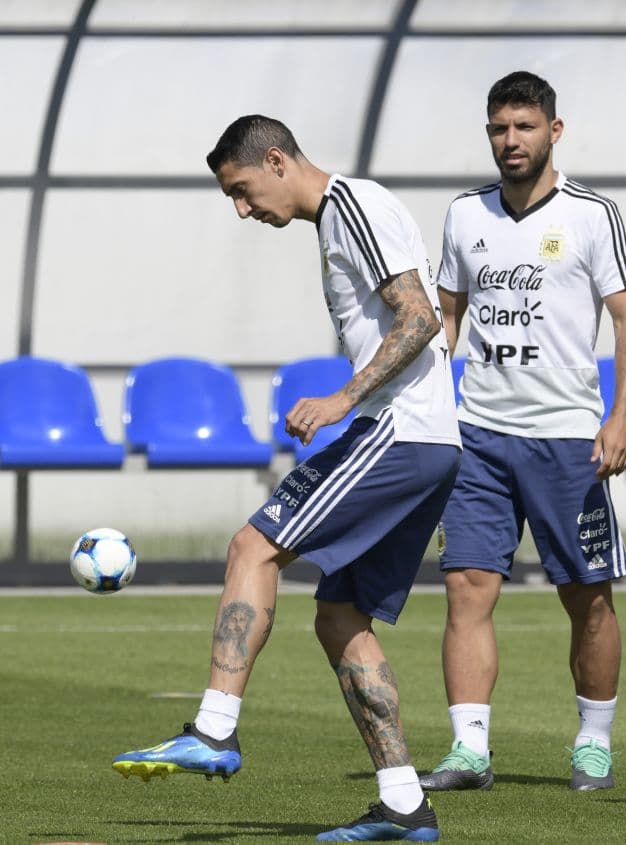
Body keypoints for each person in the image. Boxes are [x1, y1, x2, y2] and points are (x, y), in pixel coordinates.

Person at [112, 115, 461, 843]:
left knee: (253, 546)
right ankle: (404, 803)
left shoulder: (353, 206)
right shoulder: (336, 221)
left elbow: (422, 318)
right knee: (340, 616)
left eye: (242, 190)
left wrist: (343, 399)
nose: (243, 210)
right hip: (422, 439)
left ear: (276, 160)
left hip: (398, 432)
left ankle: (214, 727)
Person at [417, 71, 626, 794]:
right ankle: (469, 749)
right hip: (480, 435)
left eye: (523, 126)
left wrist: (621, 417)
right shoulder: (465, 214)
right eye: (499, 128)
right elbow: (446, 317)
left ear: (554, 130)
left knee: (588, 596)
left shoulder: (593, 214)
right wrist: (428, 405)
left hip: (567, 439)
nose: (510, 140)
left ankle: (593, 743)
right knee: (467, 587)